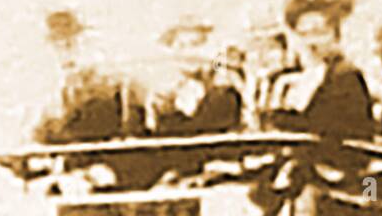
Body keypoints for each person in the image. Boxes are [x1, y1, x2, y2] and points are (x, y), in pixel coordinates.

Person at [261, 0, 374, 138]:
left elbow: (334, 131)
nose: (311, 43)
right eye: (304, 34)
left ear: (335, 35)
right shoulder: (296, 80)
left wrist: (282, 120)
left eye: (319, 32)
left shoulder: (346, 77)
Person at [33, 8, 146, 144]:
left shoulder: (104, 75)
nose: (65, 51)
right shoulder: (52, 84)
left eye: (70, 42)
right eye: (58, 44)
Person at [150, 18, 243, 136]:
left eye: (196, 44)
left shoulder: (223, 80)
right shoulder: (163, 86)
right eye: (181, 45)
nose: (188, 52)